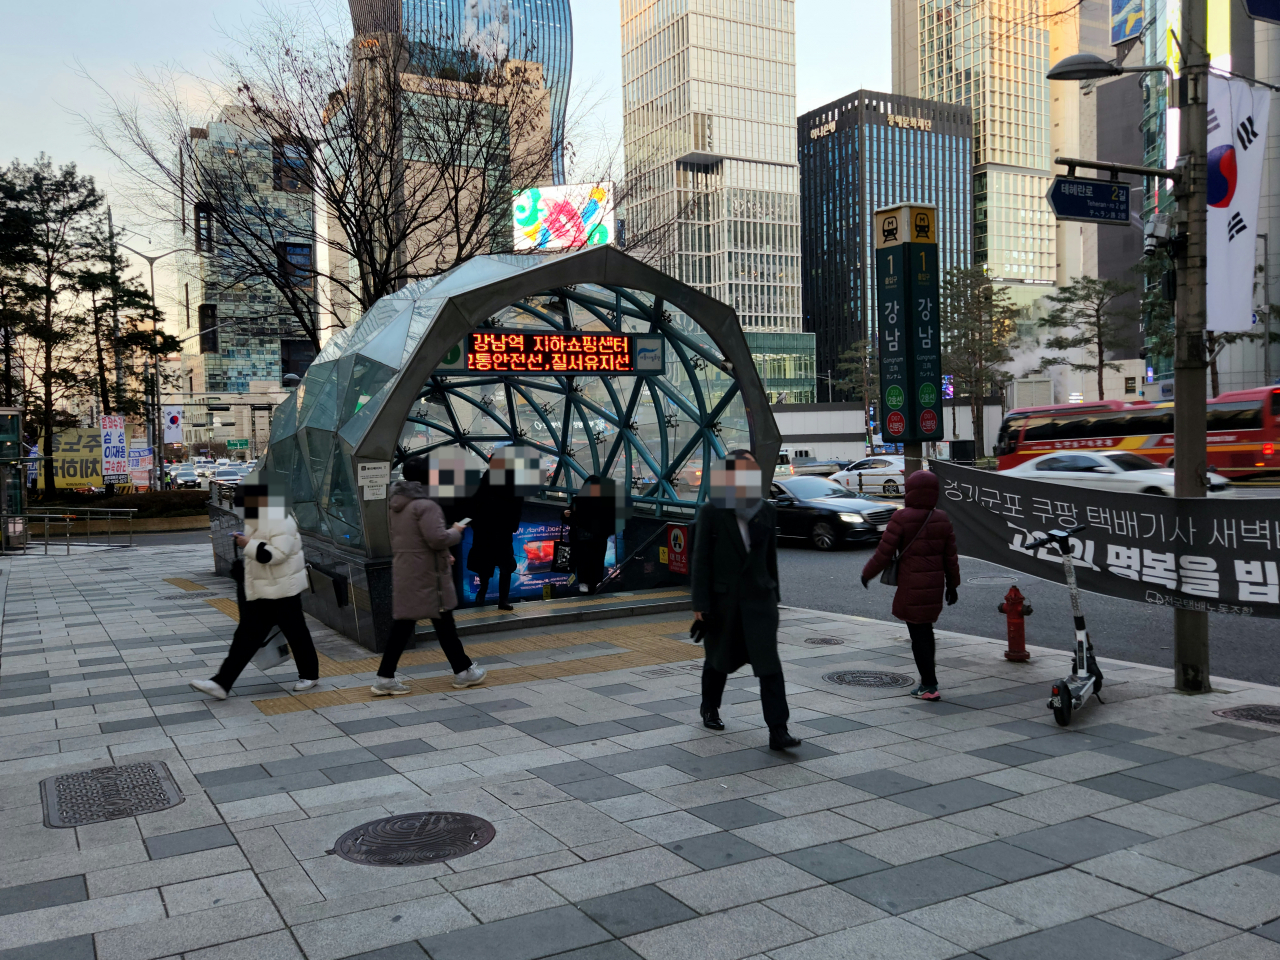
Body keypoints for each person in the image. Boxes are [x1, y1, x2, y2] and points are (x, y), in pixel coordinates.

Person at [691, 450, 801, 751]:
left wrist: (774, 595)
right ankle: (709, 706)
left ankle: (778, 730)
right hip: (724, 602)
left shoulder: (766, 509)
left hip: (759, 601)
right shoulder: (712, 510)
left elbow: (770, 557)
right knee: (718, 661)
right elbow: (700, 559)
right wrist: (700, 604)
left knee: (769, 667)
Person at [190, 484, 319, 700]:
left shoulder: (281, 521)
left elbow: (276, 555)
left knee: (296, 633)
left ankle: (310, 675)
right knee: (247, 636)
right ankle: (221, 683)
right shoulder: (260, 519)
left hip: (282, 589)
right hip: (264, 589)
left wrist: (248, 544)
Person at [372, 454, 486, 695]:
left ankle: (385, 678)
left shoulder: (398, 502)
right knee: (443, 622)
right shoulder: (427, 505)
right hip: (428, 575)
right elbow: (436, 538)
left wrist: (444, 553)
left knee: (407, 625)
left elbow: (415, 539)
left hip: (409, 569)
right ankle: (463, 671)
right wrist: (455, 531)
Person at [860, 470, 960, 701]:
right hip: (935, 585)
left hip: (911, 584)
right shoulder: (942, 518)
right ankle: (929, 682)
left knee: (918, 634)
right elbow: (950, 557)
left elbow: (884, 553)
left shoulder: (901, 518)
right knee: (926, 631)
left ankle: (929, 685)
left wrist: (867, 574)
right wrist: (952, 586)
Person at [465, 449, 528, 609]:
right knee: (498, 565)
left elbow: (471, 506)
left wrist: (475, 524)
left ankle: (493, 595)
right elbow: (518, 505)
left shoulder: (482, 483)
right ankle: (499, 597)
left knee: (499, 565)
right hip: (494, 530)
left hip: (491, 531)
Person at [564, 475, 616, 594]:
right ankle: (594, 584)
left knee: (583, 562)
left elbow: (569, 517)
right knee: (596, 562)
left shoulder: (578, 500)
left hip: (581, 539)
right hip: (598, 539)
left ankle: (584, 584)